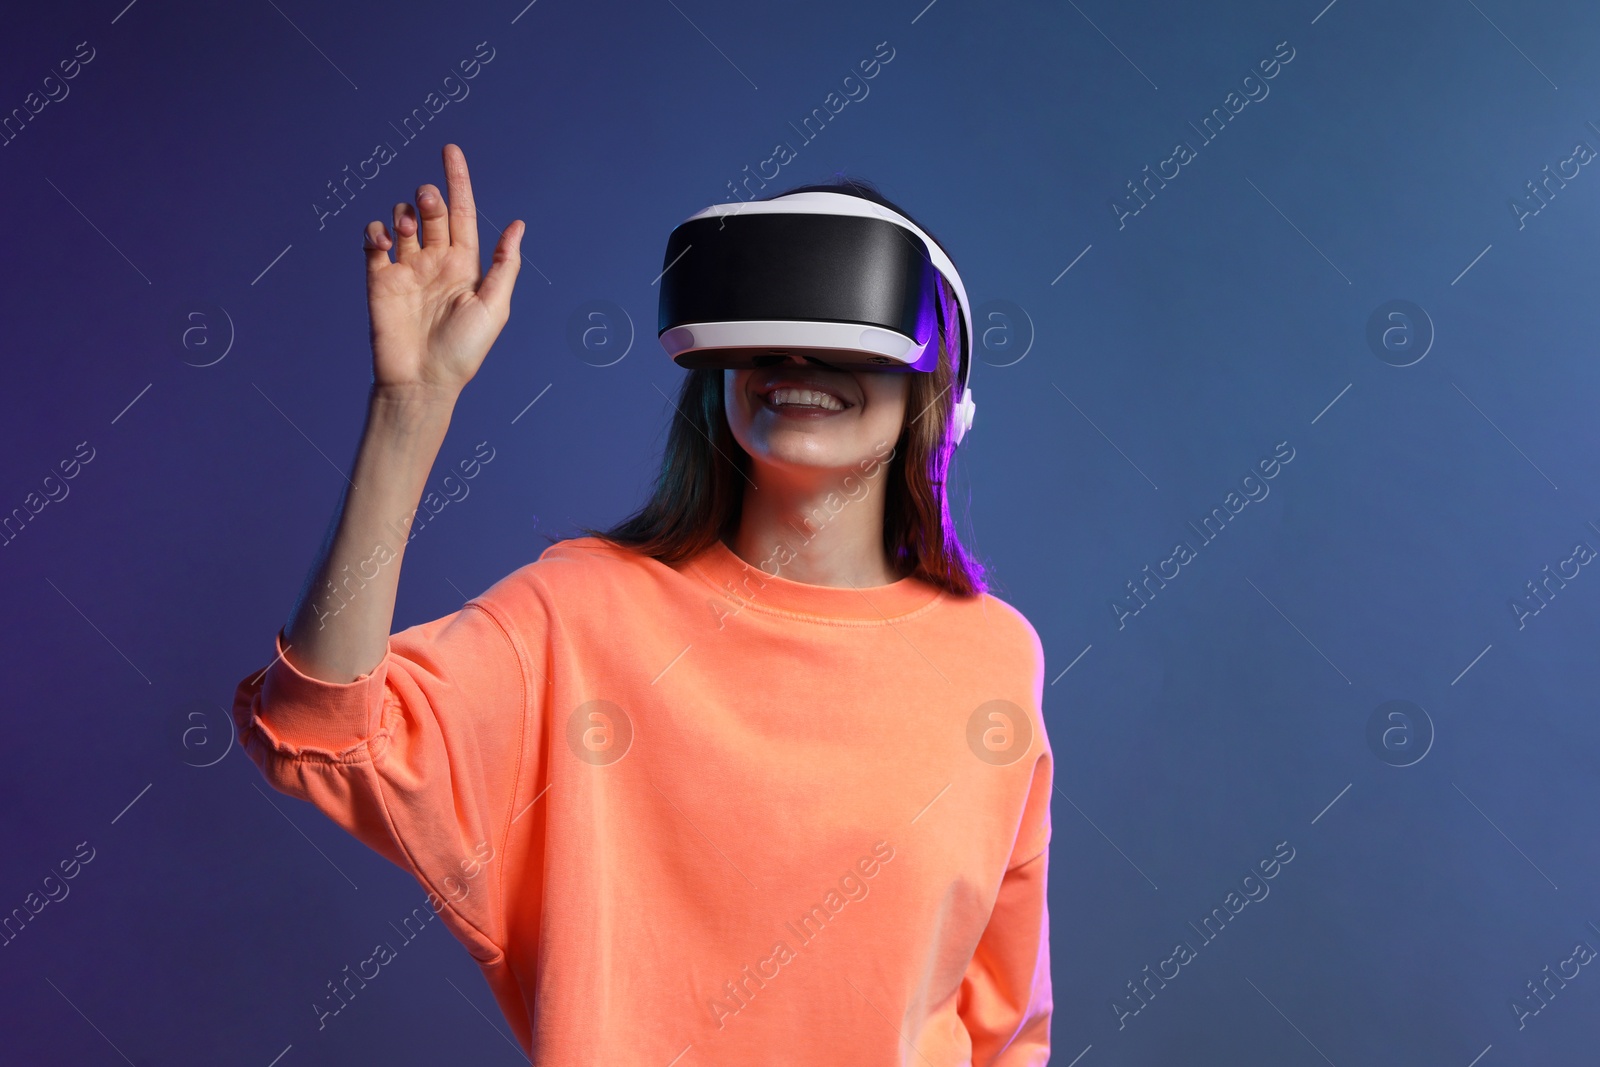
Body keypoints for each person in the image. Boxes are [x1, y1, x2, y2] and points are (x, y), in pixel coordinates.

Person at [232, 143, 1053, 1065]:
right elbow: (323, 722)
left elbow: (1006, 1029)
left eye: (843, 324)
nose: (795, 357)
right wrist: (411, 407)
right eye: (764, 328)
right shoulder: (583, 612)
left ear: (936, 387)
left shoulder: (992, 657)